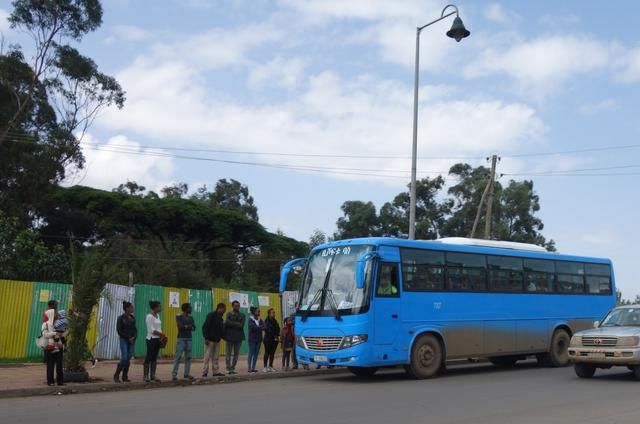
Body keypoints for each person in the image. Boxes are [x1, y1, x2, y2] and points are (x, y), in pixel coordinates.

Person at [42, 300, 66, 386]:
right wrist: (55, 333)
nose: (56, 314)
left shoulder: (58, 323)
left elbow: (62, 334)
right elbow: (45, 335)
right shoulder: (45, 324)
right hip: (49, 347)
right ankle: (50, 382)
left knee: (59, 366)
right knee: (50, 366)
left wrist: (62, 337)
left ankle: (60, 381)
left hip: (59, 346)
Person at [172, 303, 196, 381]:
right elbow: (180, 326)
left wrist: (186, 326)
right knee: (178, 356)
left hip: (189, 338)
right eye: (190, 308)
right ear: (186, 309)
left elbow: (194, 327)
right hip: (181, 338)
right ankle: (174, 374)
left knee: (188, 357)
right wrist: (189, 326)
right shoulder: (179, 316)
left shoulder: (191, 317)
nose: (191, 309)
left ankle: (187, 374)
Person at [114, 301, 136, 383]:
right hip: (124, 339)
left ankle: (125, 376)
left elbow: (135, 329)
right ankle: (116, 375)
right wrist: (128, 337)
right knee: (124, 357)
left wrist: (134, 337)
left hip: (132, 340)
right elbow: (119, 330)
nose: (132, 308)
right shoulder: (121, 318)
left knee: (129, 357)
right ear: (127, 309)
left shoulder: (133, 318)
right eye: (131, 307)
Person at [202, 302, 226, 377]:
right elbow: (205, 326)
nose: (224, 311)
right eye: (224, 309)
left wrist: (223, 337)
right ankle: (204, 372)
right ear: (220, 308)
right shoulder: (211, 315)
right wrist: (206, 337)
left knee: (215, 357)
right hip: (210, 340)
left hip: (217, 340)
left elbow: (220, 329)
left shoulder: (220, 318)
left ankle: (216, 371)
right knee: (207, 356)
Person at [144, 300, 166, 383]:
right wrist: (161, 334)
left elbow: (159, 327)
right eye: (159, 306)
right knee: (149, 356)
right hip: (151, 339)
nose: (160, 308)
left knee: (154, 357)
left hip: (158, 339)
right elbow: (152, 330)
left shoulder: (158, 316)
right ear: (155, 307)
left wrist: (161, 335)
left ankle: (153, 375)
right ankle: (146, 376)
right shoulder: (149, 317)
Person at [223, 300, 245, 374]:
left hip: (238, 337)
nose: (237, 307)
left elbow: (241, 326)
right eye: (236, 306)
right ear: (232, 306)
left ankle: (232, 368)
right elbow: (227, 323)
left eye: (238, 306)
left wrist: (231, 323)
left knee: (236, 354)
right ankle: (228, 368)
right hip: (229, 337)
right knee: (228, 353)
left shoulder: (242, 315)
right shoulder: (228, 314)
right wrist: (236, 324)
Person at [247, 307, 265, 373]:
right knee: (251, 353)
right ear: (254, 312)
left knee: (256, 354)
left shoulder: (260, 319)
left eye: (259, 311)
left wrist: (258, 327)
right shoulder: (250, 319)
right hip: (252, 339)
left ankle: (253, 367)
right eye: (258, 311)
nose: (259, 312)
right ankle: (249, 368)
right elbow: (252, 327)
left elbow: (264, 326)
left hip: (259, 339)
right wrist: (259, 327)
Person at [262, 308, 280, 372]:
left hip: (274, 340)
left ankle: (270, 366)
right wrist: (274, 335)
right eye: (272, 312)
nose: (274, 314)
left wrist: (277, 335)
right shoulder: (266, 321)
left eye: (274, 312)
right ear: (269, 314)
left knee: (272, 353)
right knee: (267, 353)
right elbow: (267, 330)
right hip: (268, 339)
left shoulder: (275, 321)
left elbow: (278, 328)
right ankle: (265, 367)